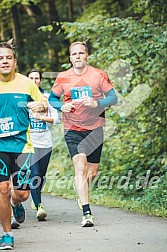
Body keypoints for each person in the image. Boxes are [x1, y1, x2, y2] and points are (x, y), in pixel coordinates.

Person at [49, 41, 117, 227]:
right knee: (80, 167)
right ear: (70, 58)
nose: (78, 56)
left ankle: (80, 188)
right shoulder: (63, 77)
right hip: (72, 128)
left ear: (87, 55)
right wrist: (61, 106)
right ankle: (87, 212)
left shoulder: (98, 75)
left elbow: (113, 97)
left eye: (81, 53)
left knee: (92, 172)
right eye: (74, 54)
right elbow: (52, 98)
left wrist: (98, 104)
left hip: (95, 127)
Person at [0, 41, 48, 250]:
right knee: (2, 188)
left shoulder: (26, 83)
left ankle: (15, 203)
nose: (4, 62)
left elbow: (44, 104)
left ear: (15, 61)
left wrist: (40, 105)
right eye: (0, 58)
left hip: (22, 146)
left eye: (8, 58)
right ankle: (7, 235)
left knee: (22, 193)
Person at [26, 69, 60, 221]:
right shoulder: (22, 98)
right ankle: (39, 206)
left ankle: (35, 195)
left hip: (45, 141)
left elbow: (57, 119)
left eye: (37, 78)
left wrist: (40, 117)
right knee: (34, 173)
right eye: (31, 78)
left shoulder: (47, 98)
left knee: (42, 175)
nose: (34, 81)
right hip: (29, 142)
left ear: (40, 80)